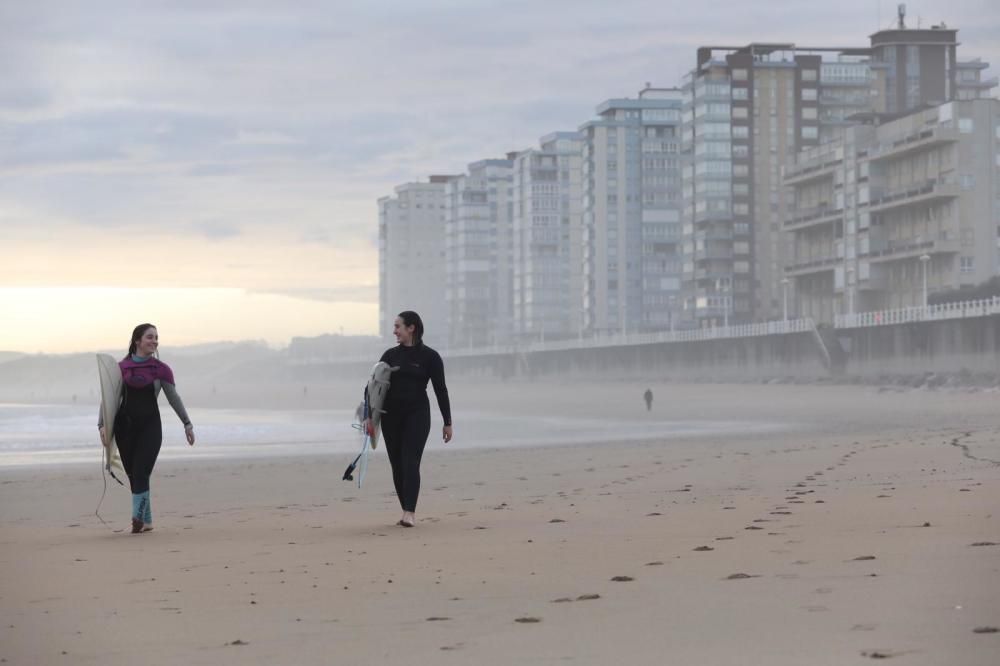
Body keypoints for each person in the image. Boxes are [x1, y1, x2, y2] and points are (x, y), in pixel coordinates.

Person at [98, 324, 195, 533]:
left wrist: (187, 424)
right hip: (125, 429)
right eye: (150, 337)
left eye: (156, 338)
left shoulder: (161, 370)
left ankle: (137, 519)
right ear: (137, 341)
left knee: (141, 470)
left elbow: (173, 399)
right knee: (134, 474)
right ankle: (147, 520)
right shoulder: (120, 369)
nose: (154, 341)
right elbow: (108, 399)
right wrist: (102, 425)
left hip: (150, 427)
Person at [365, 311, 452, 527]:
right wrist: (369, 417)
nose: (394, 331)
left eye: (398, 326)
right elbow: (371, 387)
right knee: (397, 465)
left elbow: (441, 390)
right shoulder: (390, 355)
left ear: (411, 328)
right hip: (391, 416)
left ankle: (409, 513)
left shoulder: (430, 357)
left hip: (417, 415)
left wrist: (447, 421)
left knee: (410, 461)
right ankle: (406, 509)